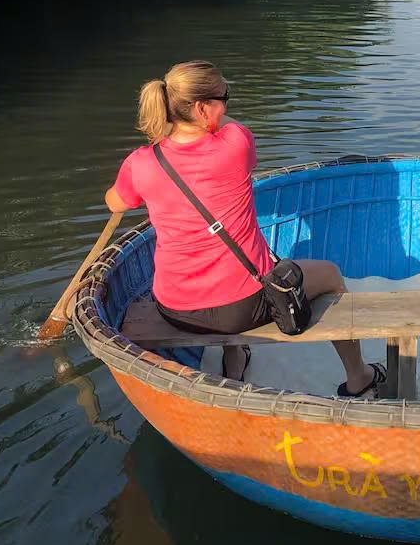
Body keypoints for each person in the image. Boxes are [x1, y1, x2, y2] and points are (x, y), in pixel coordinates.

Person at [105, 60, 385, 396]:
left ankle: (234, 359)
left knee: (226, 270)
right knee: (330, 274)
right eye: (224, 97)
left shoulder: (141, 163)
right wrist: (210, 120)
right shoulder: (235, 143)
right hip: (241, 310)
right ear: (201, 107)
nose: (226, 106)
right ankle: (359, 376)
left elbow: (115, 203)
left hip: (175, 308)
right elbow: (229, 132)